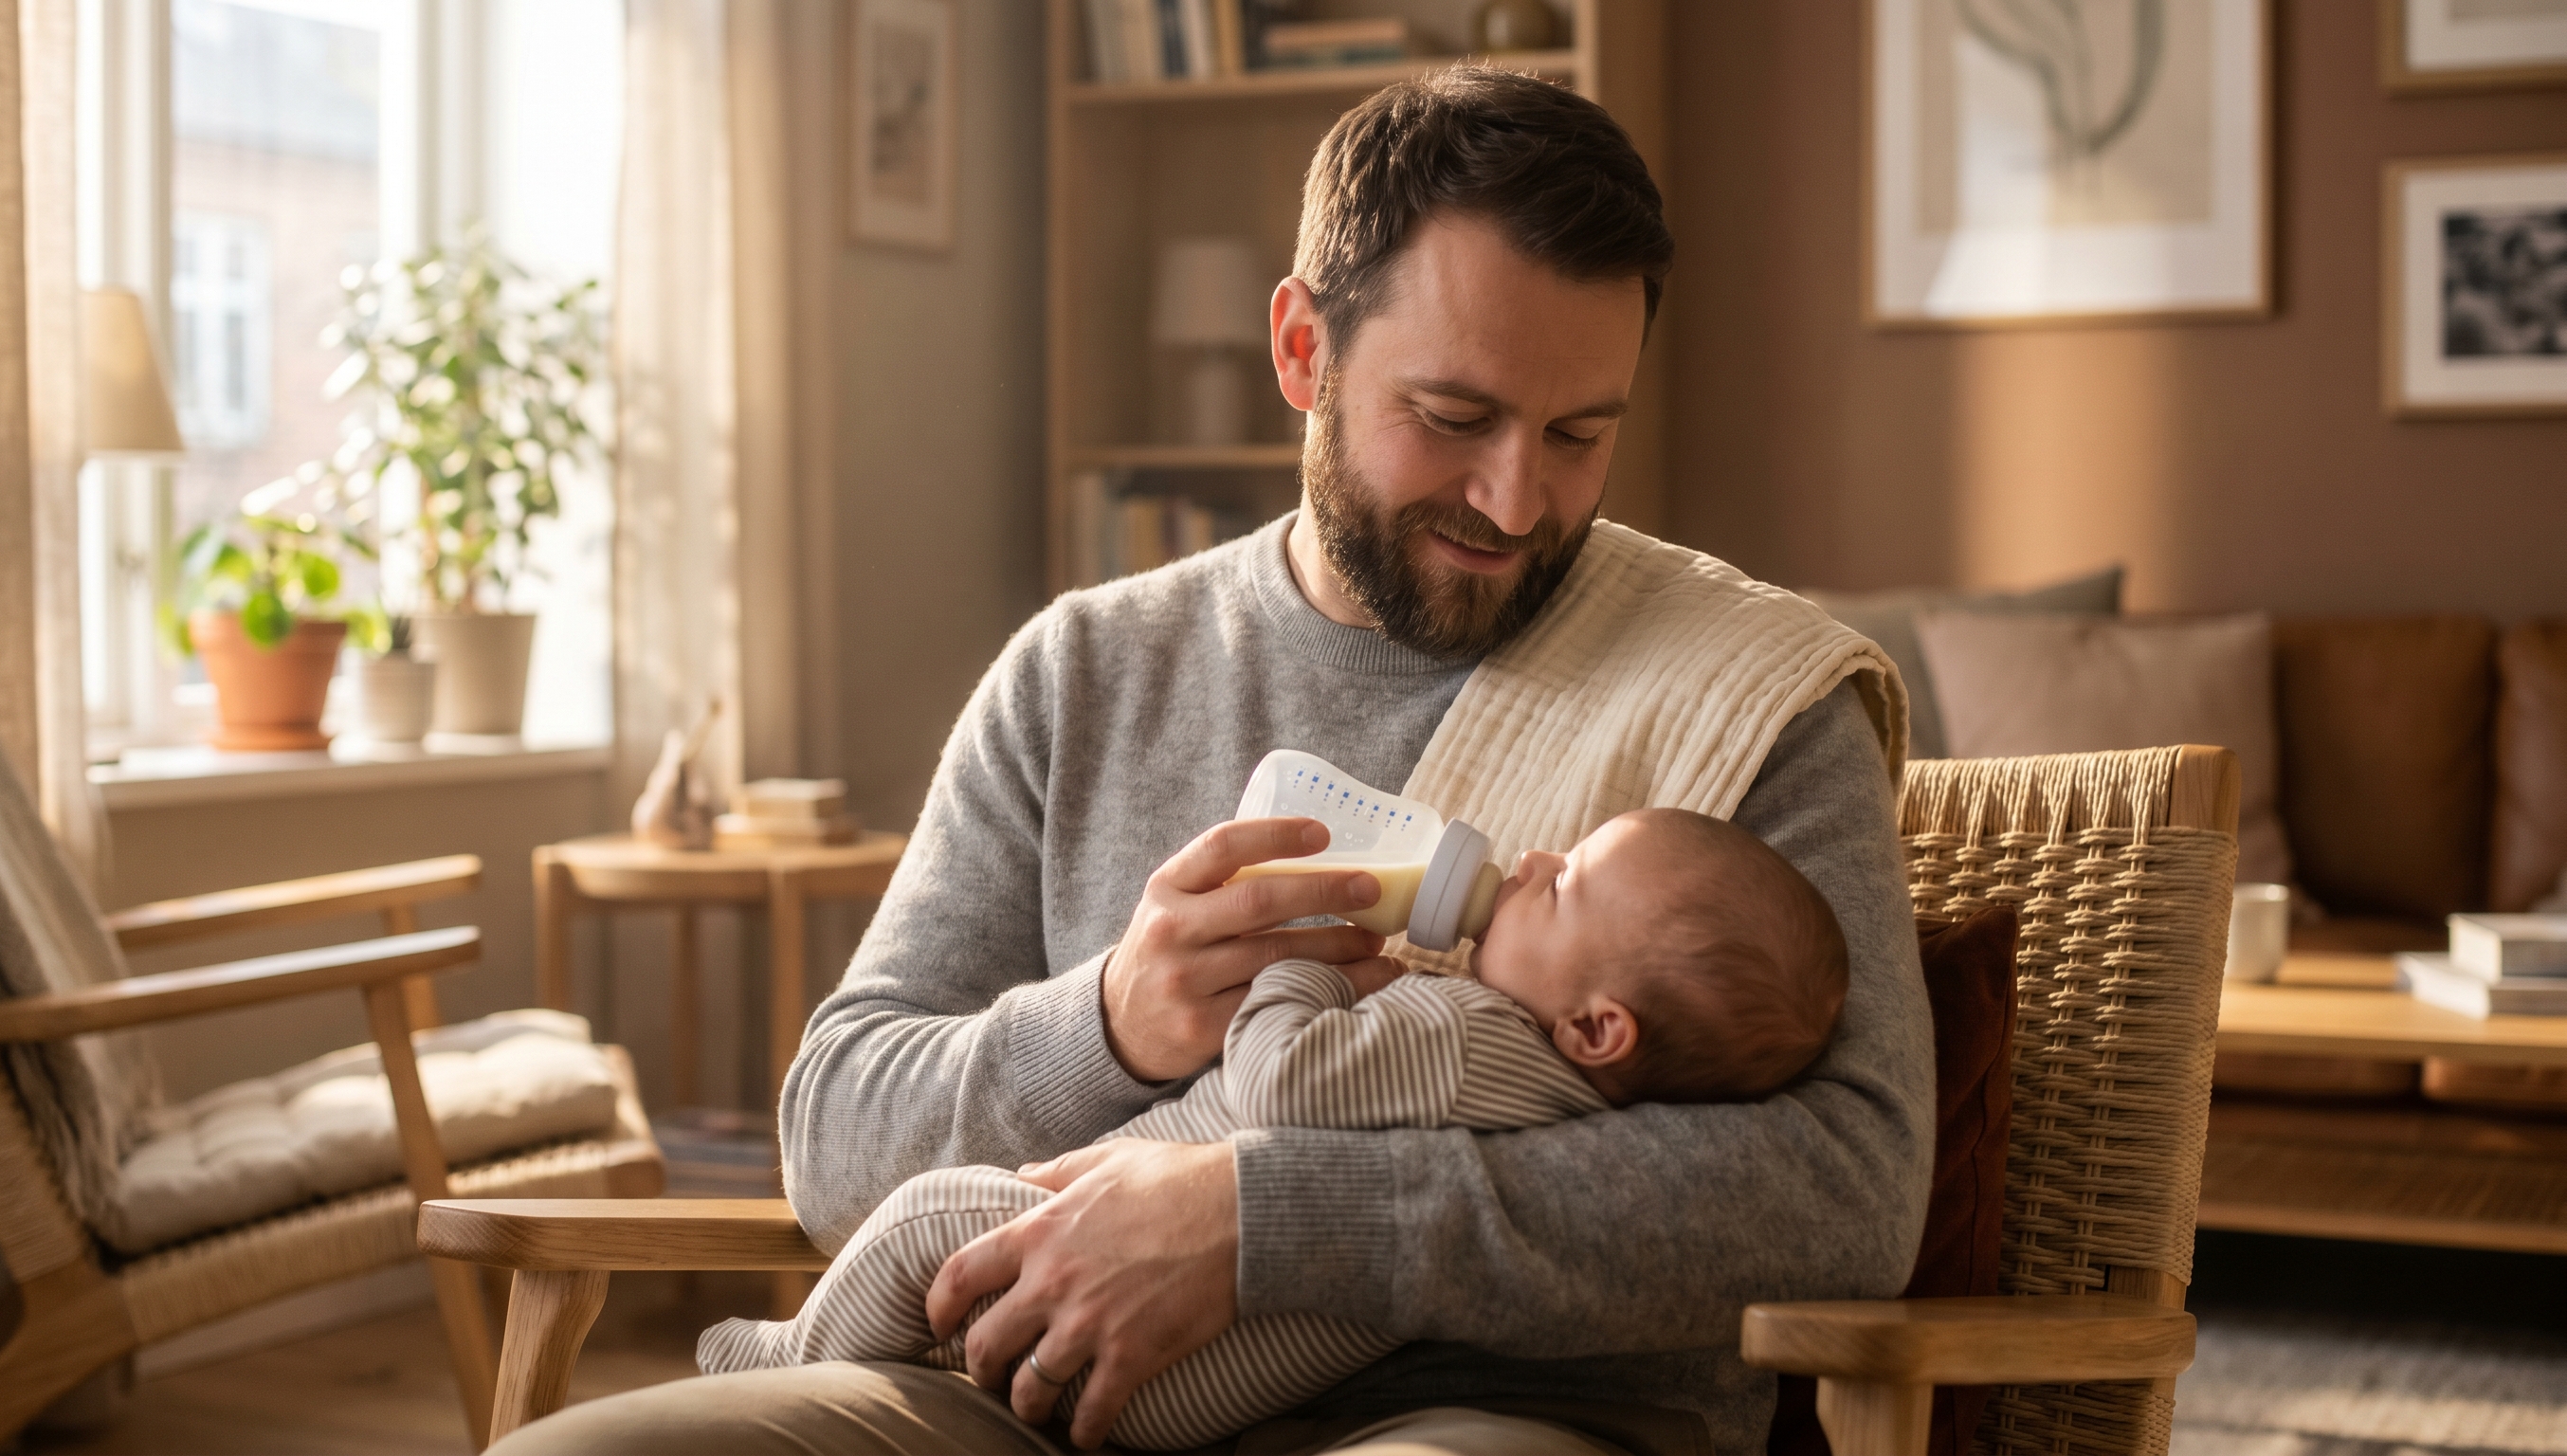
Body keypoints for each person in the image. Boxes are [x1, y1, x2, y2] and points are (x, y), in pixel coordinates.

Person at [492, 63, 1930, 1456]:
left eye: (1578, 434)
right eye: (1453, 418)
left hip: (1494, 1410)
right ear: (1303, 349)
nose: (1515, 498)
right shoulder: (1082, 673)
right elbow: (836, 1133)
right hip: (1017, 1399)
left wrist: (1265, 1223)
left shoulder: (1757, 697)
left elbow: (1846, 1199)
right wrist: (1113, 1022)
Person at [695, 807, 1853, 1451]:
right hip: (1201, 1396)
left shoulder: (1461, 1030)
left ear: (1598, 1029)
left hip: (1174, 1371)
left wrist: (1302, 978)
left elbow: (1288, 1087)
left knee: (922, 1220)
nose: (1536, 857)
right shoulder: (1540, 1092)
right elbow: (835, 1104)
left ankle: (793, 1353)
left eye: (1564, 886)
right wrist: (1109, 1019)